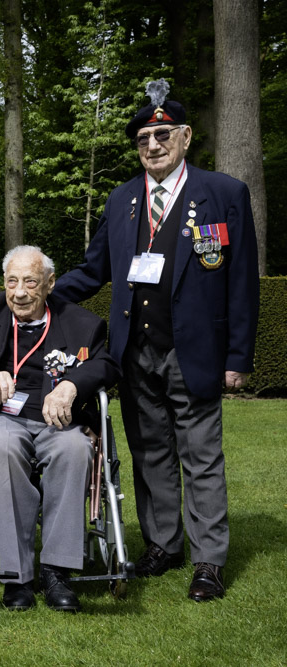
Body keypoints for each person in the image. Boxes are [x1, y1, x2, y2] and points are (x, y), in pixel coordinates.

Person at [53, 80, 260, 602]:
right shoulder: (122, 199)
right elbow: (94, 269)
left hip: (195, 351)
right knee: (150, 456)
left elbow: (241, 284)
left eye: (163, 134)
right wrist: (39, 291)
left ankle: (208, 560)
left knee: (201, 456)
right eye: (144, 138)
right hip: (132, 353)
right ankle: (163, 545)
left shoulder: (225, 194)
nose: (153, 145)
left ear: (186, 137)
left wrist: (239, 357)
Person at [0, 246, 121, 612]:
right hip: (0, 418)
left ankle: (56, 571)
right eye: (12, 282)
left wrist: (71, 387)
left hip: (58, 420)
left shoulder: (81, 322)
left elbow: (107, 365)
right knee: (0, 450)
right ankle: (16, 576)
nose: (19, 292)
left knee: (74, 450)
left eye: (30, 282)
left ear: (50, 284)